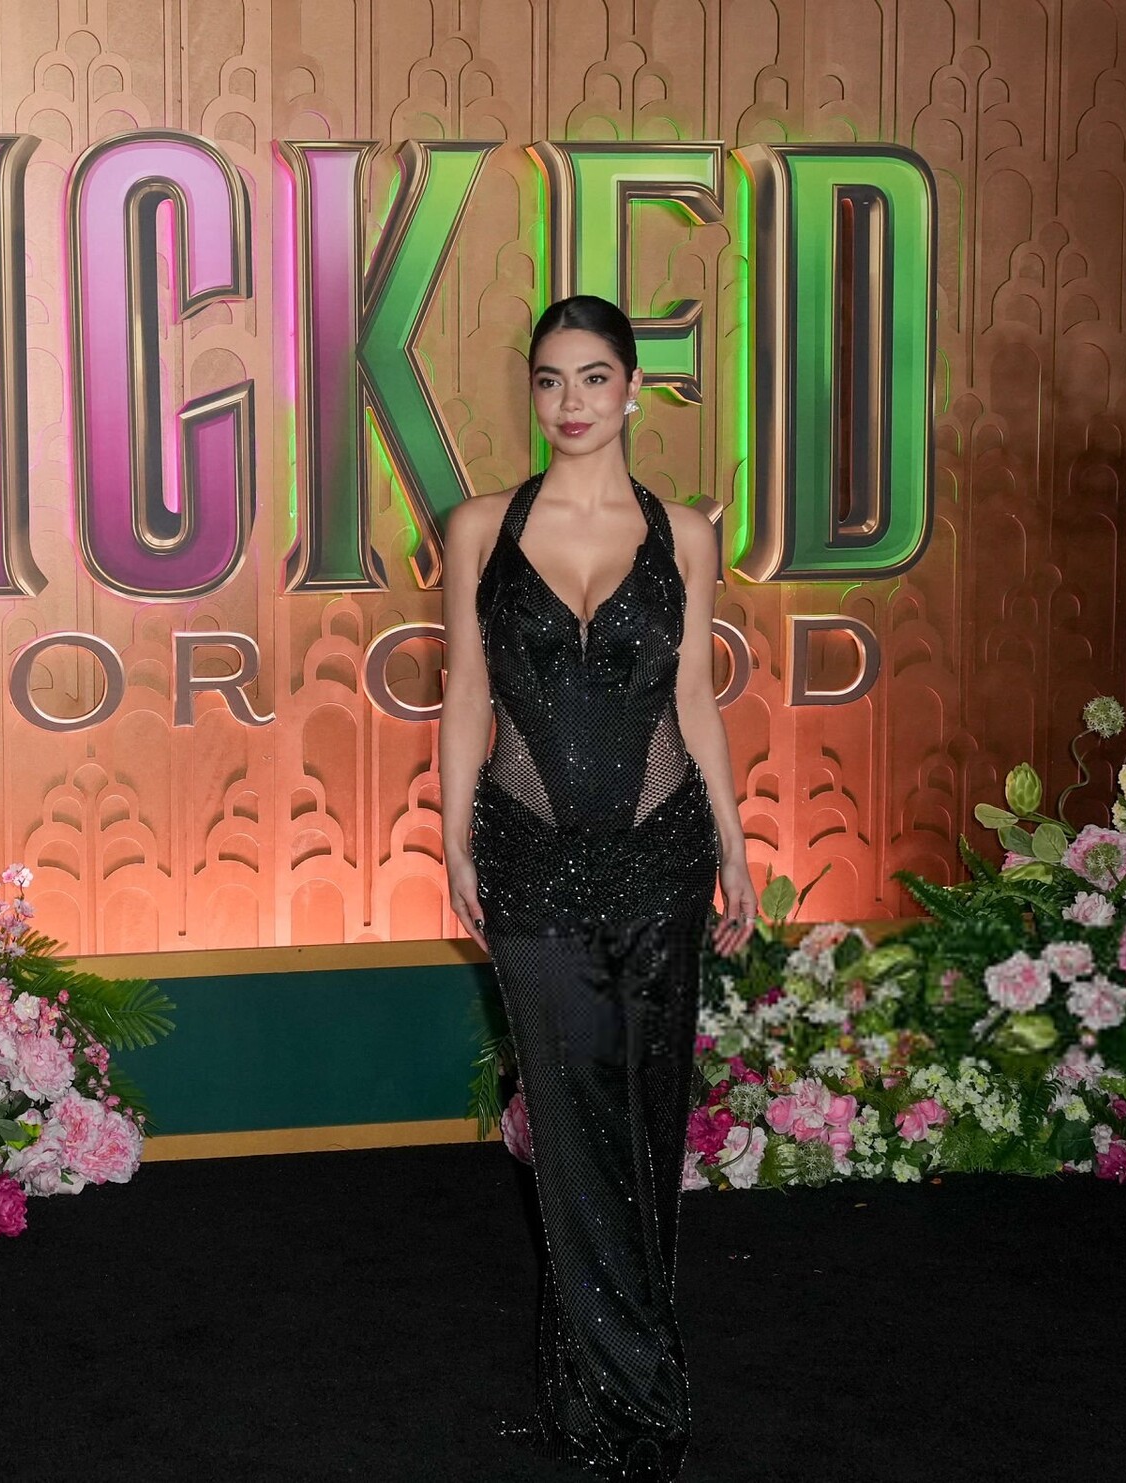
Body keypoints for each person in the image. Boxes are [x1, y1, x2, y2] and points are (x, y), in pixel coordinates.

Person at [439, 294, 755, 1482]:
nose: (569, 402)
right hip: (526, 855)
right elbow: (466, 691)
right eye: (549, 380)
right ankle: (640, 1397)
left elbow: (695, 700)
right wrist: (454, 839)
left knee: (645, 1118)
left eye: (591, 378)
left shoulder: (686, 534)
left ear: (632, 390)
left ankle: (593, 1385)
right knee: (570, 1127)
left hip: (662, 855)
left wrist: (734, 844)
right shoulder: (480, 526)